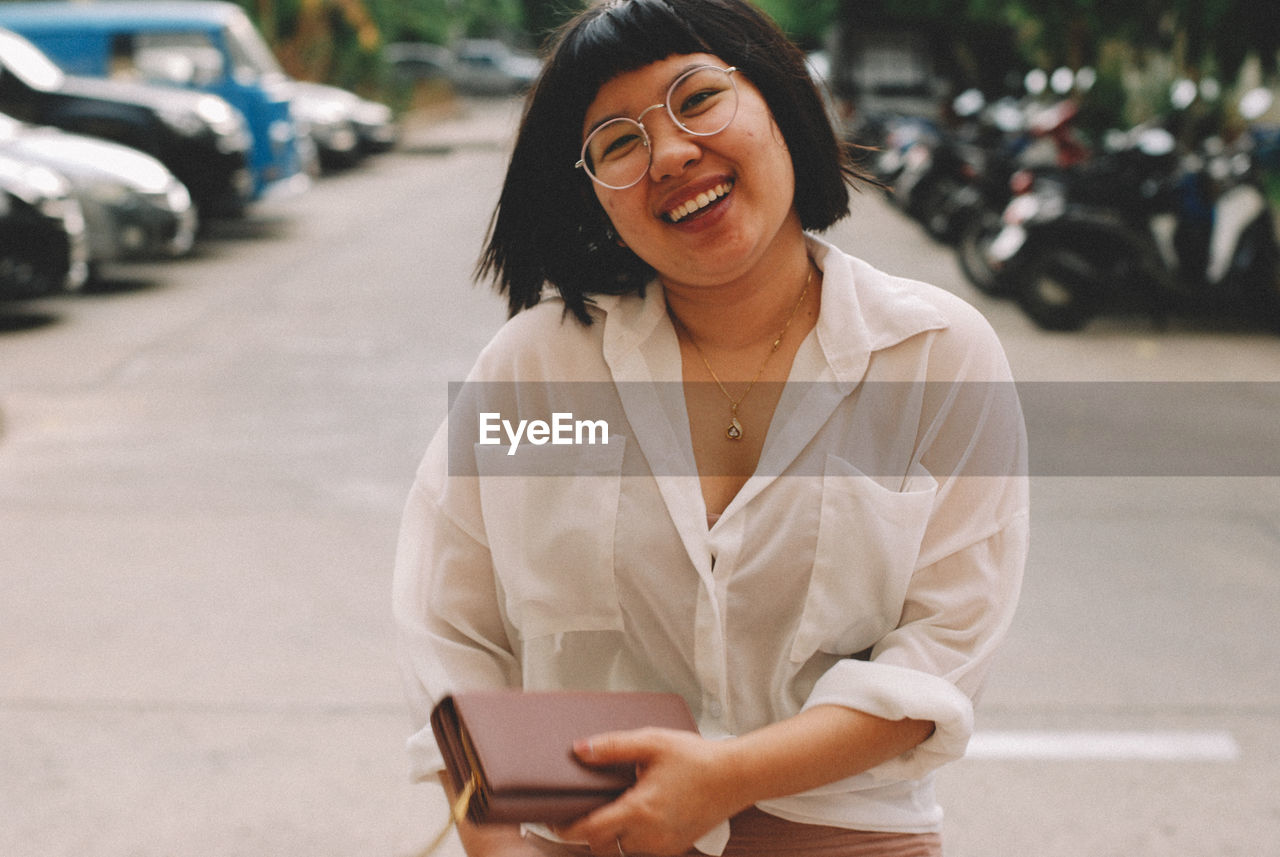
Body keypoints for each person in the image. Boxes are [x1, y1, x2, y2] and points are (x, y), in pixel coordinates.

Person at [394, 1, 1029, 855]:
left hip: (844, 835)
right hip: (579, 836)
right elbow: (449, 628)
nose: (670, 153)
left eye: (697, 100)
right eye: (617, 142)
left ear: (778, 103)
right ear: (592, 194)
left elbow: (943, 647)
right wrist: (495, 842)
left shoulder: (930, 358)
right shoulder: (540, 378)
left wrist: (726, 779)